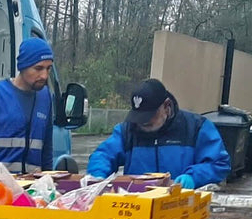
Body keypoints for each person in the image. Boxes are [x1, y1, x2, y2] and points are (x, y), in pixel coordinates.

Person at [86, 78, 231, 188]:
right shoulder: (127, 131)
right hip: (138, 206)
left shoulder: (196, 127)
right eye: (139, 117)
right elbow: (103, 155)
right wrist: (97, 175)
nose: (142, 122)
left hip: (181, 205)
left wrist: (193, 177)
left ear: (166, 106)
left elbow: (219, 163)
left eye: (149, 116)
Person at [0, 38, 56, 171]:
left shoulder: (46, 97)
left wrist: (49, 183)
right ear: (23, 66)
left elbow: (47, 151)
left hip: (29, 187)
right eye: (38, 68)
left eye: (48, 69)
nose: (44, 75)